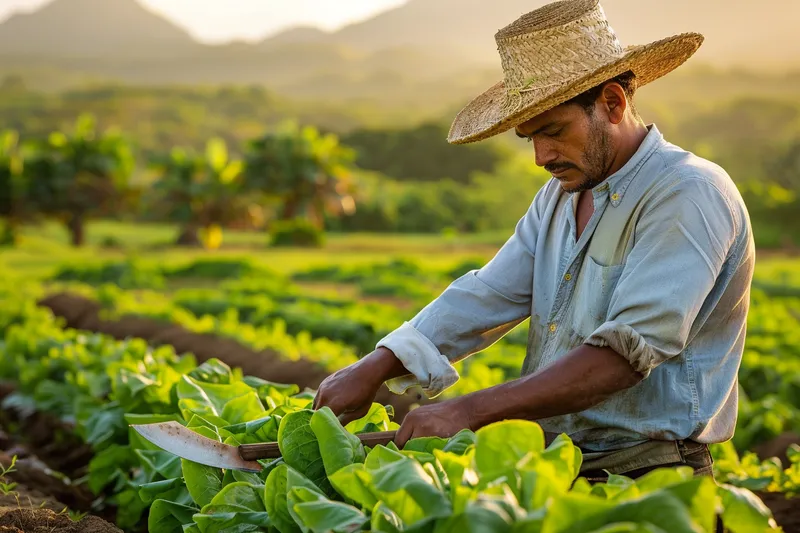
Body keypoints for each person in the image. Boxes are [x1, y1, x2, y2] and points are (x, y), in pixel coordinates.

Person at [313, 0, 755, 481]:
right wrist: (378, 364)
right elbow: (491, 293)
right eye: (530, 139)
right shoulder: (561, 196)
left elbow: (623, 357)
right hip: (558, 463)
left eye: (554, 132)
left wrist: (468, 411)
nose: (541, 156)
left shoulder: (687, 193)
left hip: (650, 472)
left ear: (612, 102)